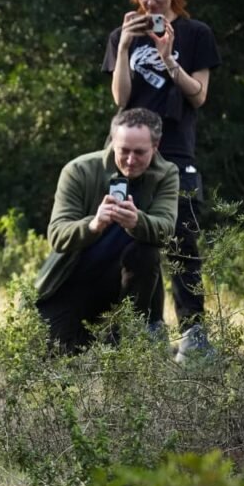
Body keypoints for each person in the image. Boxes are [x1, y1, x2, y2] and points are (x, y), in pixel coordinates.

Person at [104, 0, 219, 362]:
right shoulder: (124, 34)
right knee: (131, 240)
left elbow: (199, 95)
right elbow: (120, 99)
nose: (151, 1)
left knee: (182, 241)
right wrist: (122, 46)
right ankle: (146, 329)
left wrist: (169, 56)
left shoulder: (195, 33)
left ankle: (194, 335)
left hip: (175, 150)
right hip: (130, 152)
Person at [34, 109, 179, 354]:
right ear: (112, 142)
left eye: (139, 152)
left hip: (124, 285)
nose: (130, 160)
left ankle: (131, 335)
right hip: (72, 281)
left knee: (146, 251)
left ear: (156, 146)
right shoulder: (79, 170)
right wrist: (93, 225)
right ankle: (100, 339)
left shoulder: (166, 174)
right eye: (124, 150)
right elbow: (57, 235)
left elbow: (166, 231)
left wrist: (137, 222)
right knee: (56, 356)